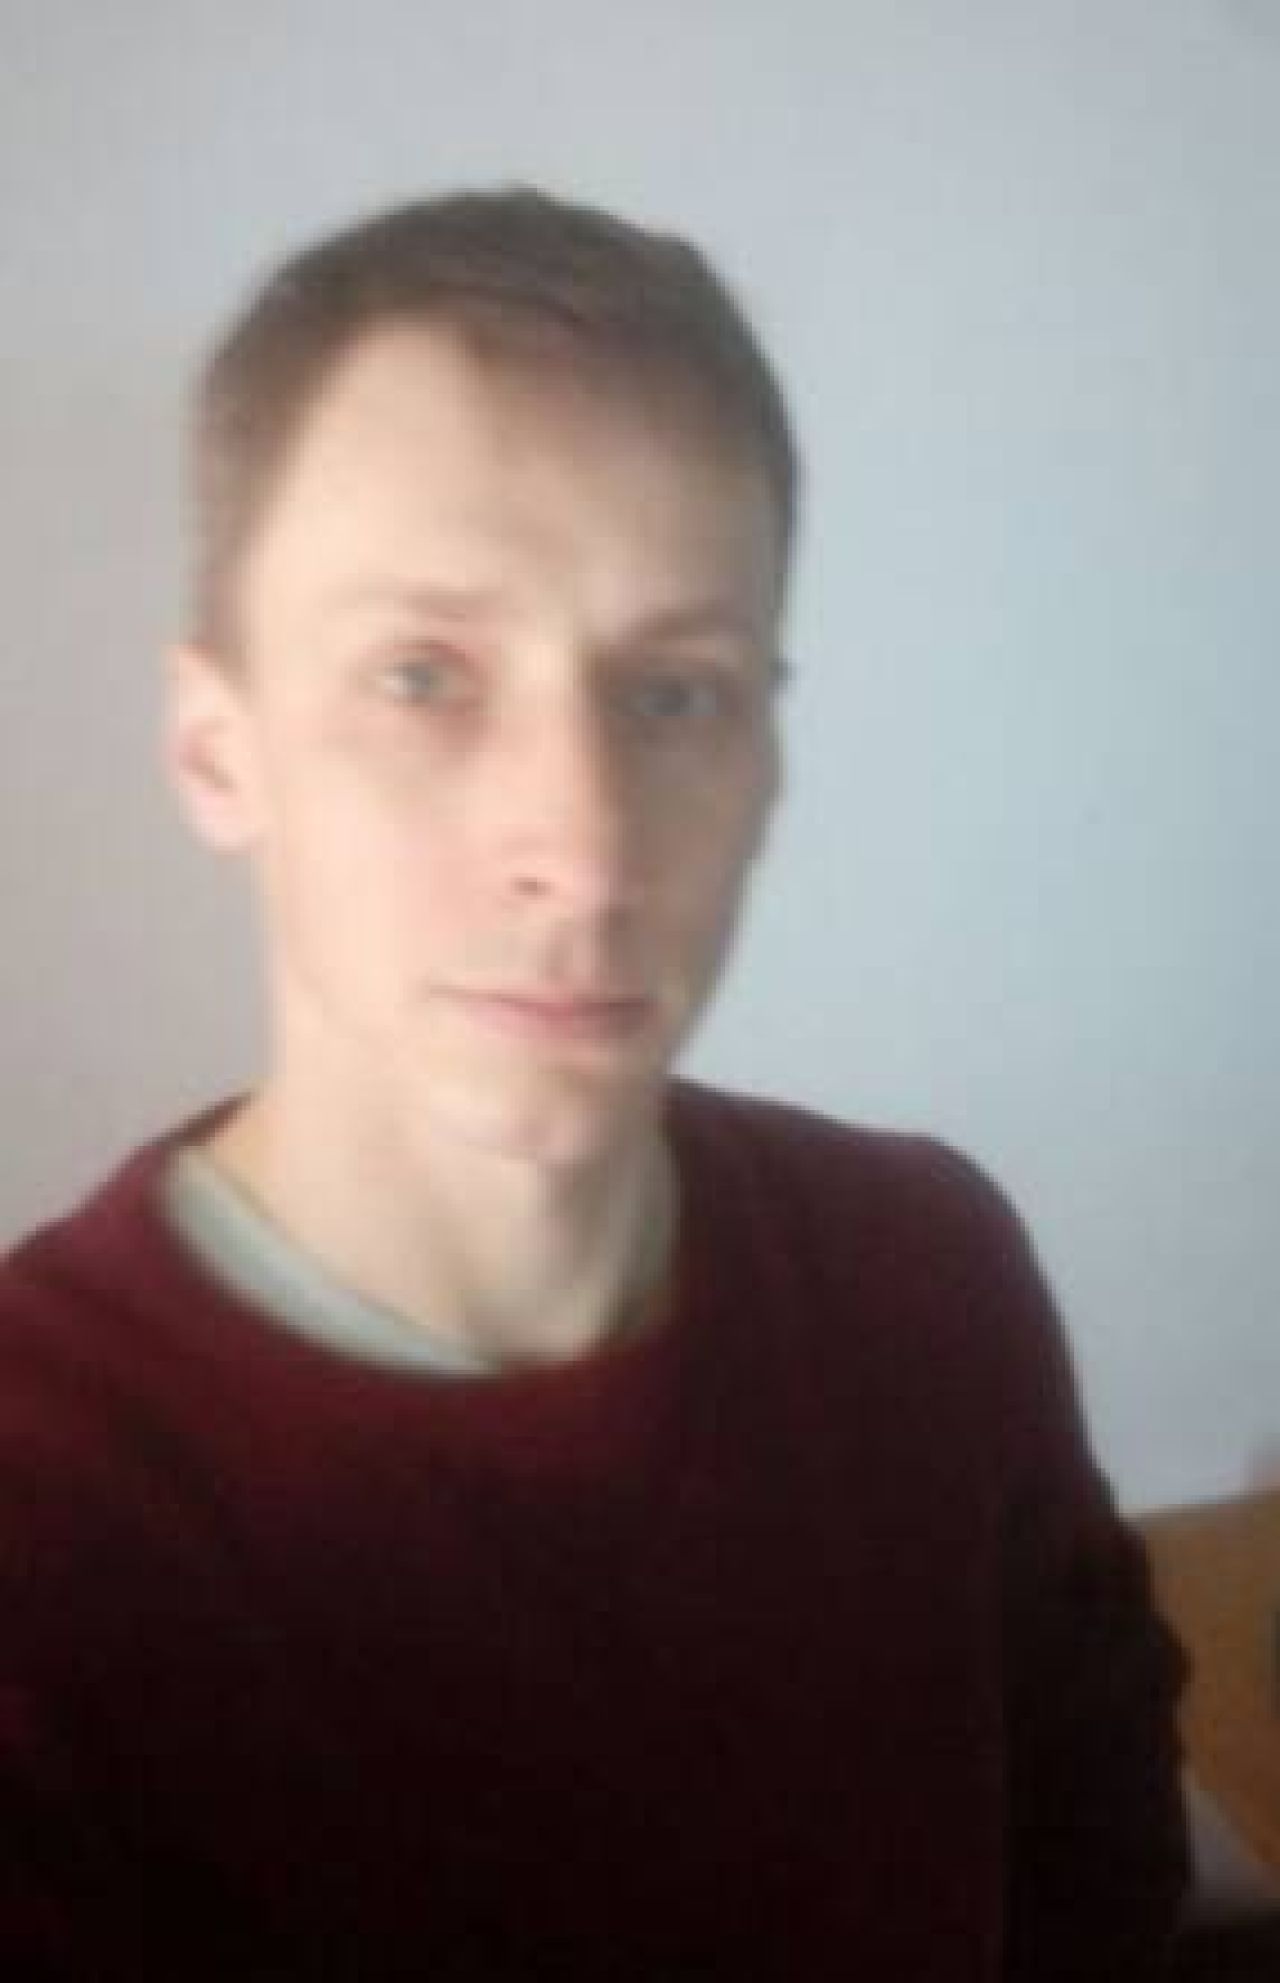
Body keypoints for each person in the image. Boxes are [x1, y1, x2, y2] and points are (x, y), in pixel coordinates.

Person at [0, 186, 1189, 1980]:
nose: (582, 843)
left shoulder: (933, 1279)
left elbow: (1100, 1898)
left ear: (771, 754)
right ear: (216, 751)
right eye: (423, 676)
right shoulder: (42, 1525)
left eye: (676, 694)